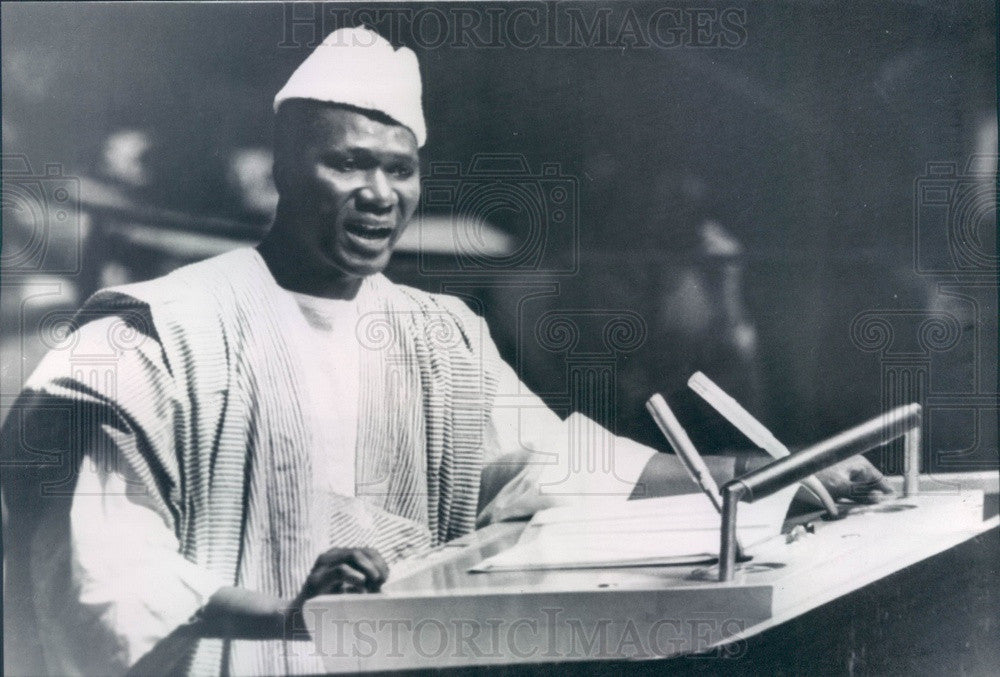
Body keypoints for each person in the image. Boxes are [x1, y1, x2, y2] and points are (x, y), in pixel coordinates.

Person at [1, 27, 891, 677]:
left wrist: (765, 477)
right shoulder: (153, 335)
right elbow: (105, 573)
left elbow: (565, 467)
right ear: (280, 164)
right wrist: (290, 614)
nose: (380, 195)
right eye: (348, 164)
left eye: (401, 168)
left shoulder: (435, 332)